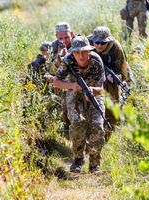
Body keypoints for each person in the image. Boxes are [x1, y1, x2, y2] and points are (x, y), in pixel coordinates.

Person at [53, 36, 106, 175]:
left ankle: (95, 165)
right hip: (75, 91)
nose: (81, 56)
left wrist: (91, 91)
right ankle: (78, 158)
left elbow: (101, 88)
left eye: (84, 52)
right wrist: (72, 86)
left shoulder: (96, 60)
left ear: (89, 51)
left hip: (94, 94)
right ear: (73, 53)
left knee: (98, 127)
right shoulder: (68, 60)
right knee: (77, 123)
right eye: (77, 52)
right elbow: (56, 81)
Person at [88, 26, 131, 141]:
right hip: (89, 76)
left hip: (109, 80)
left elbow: (123, 72)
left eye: (103, 43)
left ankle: (105, 139)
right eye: (96, 42)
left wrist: (116, 76)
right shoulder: (86, 43)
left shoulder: (115, 48)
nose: (99, 45)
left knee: (113, 110)